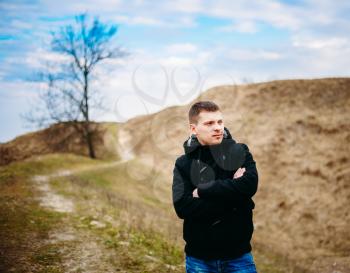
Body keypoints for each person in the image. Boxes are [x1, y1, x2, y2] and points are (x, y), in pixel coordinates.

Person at [172, 101, 259, 273]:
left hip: (239, 258)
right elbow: (183, 207)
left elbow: (249, 185)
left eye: (220, 122)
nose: (218, 128)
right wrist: (236, 200)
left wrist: (204, 190)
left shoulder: (238, 151)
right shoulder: (184, 163)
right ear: (193, 129)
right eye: (209, 123)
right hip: (199, 260)